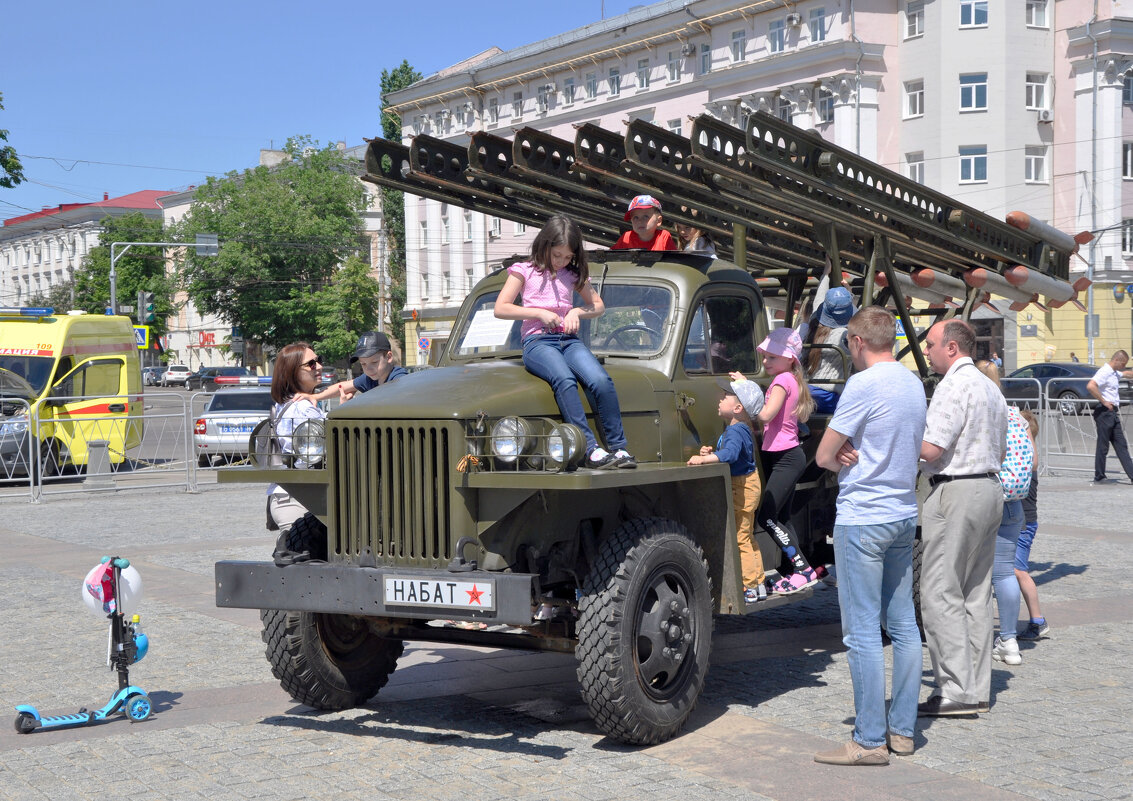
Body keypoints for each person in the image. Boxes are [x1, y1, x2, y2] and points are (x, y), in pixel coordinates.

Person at [812, 306, 926, 766]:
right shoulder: (912, 382)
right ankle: (902, 731)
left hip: (864, 516)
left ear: (857, 343)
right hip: (902, 512)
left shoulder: (862, 384)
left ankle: (869, 740)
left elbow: (822, 455)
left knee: (861, 632)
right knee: (903, 626)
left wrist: (843, 452)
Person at [494, 214, 636, 469]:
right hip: (538, 343)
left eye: (568, 257)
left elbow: (598, 306)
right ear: (545, 245)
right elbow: (501, 308)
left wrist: (576, 312)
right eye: (557, 255)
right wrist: (537, 312)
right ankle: (589, 449)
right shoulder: (523, 271)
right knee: (565, 380)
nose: (561, 261)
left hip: (568, 341)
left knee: (601, 380)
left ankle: (619, 448)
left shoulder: (572, 274)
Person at [917, 320, 1008, 717]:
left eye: (932, 344)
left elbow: (932, 447)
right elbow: (1001, 446)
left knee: (940, 590)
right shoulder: (990, 386)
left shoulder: (952, 386)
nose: (927, 351)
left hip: (957, 489)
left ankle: (955, 689)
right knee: (975, 593)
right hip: (988, 487)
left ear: (952, 347)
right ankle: (976, 688)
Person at [975, 360, 1034, 669]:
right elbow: (1034, 461)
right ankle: (1009, 640)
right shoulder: (1015, 413)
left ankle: (974, 638)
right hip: (1014, 502)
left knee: (971, 573)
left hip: (986, 495)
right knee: (1005, 572)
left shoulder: (982, 412)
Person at [752, 326, 820, 595]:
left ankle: (803, 569)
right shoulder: (788, 378)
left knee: (767, 518)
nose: (767, 361)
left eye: (773, 357)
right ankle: (797, 571)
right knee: (782, 518)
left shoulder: (782, 381)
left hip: (785, 458)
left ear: (790, 358)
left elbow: (766, 416)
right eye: (766, 356)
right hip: (782, 456)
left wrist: (744, 395)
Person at [687, 374, 766, 604]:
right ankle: (758, 583)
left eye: (725, 397)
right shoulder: (738, 429)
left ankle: (749, 587)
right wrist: (710, 452)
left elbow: (730, 455)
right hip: (749, 484)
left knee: (741, 537)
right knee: (747, 536)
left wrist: (705, 460)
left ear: (738, 407)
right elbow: (731, 451)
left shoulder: (735, 430)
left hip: (742, 487)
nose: (720, 399)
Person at [267, 342, 329, 566]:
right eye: (311, 364)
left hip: (288, 496)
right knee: (301, 567)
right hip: (301, 499)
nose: (318, 366)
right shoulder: (302, 408)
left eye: (318, 360)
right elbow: (322, 449)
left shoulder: (285, 404)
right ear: (292, 371)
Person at [1014, 408, 1050, 641]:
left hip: (1024, 525)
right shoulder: (1028, 460)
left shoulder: (1028, 464)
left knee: (1019, 572)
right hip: (1024, 524)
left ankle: (1038, 621)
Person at [300, 331, 407, 405]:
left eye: (374, 362)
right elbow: (341, 387)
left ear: (388, 357)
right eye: (363, 364)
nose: (368, 369)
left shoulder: (400, 379)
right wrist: (314, 397)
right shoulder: (369, 378)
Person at [805, 286, 856, 413]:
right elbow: (861, 318)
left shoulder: (814, 326)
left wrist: (825, 275)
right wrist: (850, 298)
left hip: (806, 391)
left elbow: (818, 301)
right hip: (829, 397)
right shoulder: (843, 335)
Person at [1086, 350, 1133, 484]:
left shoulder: (1114, 372)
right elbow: (1090, 385)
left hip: (1112, 413)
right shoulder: (1105, 371)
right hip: (1105, 412)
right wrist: (1104, 401)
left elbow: (1125, 374)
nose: (1123, 366)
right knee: (1103, 445)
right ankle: (1099, 476)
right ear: (1117, 360)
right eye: (1123, 364)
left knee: (1121, 445)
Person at [611, 195, 678, 251]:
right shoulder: (626, 237)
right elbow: (610, 257)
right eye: (635, 217)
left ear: (659, 221)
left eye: (645, 216)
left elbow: (674, 260)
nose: (640, 221)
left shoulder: (663, 237)